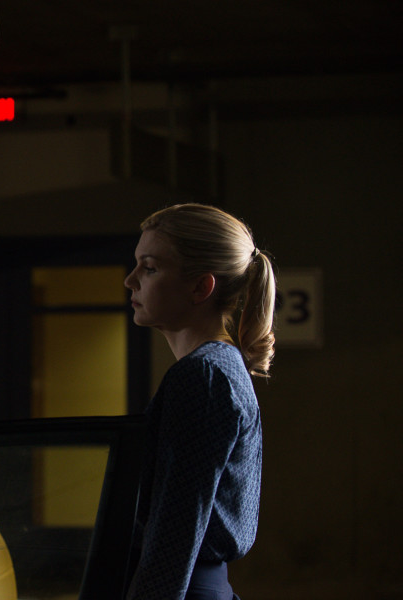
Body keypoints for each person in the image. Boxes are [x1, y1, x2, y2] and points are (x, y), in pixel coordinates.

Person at [123, 203, 275, 600]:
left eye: (149, 268)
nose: (130, 280)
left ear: (200, 287)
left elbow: (175, 531)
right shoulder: (218, 367)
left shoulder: (204, 375)